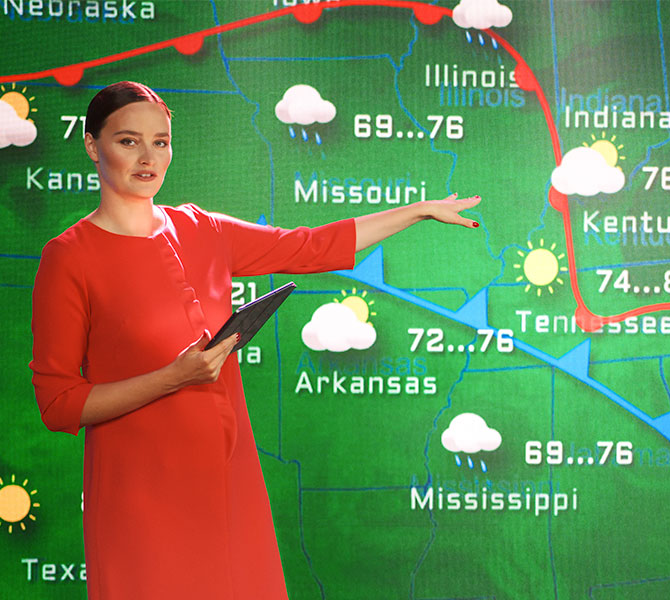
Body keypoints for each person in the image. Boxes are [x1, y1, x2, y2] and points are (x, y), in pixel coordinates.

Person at [30, 81, 481, 599]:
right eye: (128, 141)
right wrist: (172, 377)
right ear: (92, 145)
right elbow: (59, 404)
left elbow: (311, 248)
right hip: (140, 496)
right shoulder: (69, 257)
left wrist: (416, 211)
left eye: (161, 141)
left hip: (228, 481)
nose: (149, 157)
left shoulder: (203, 229)